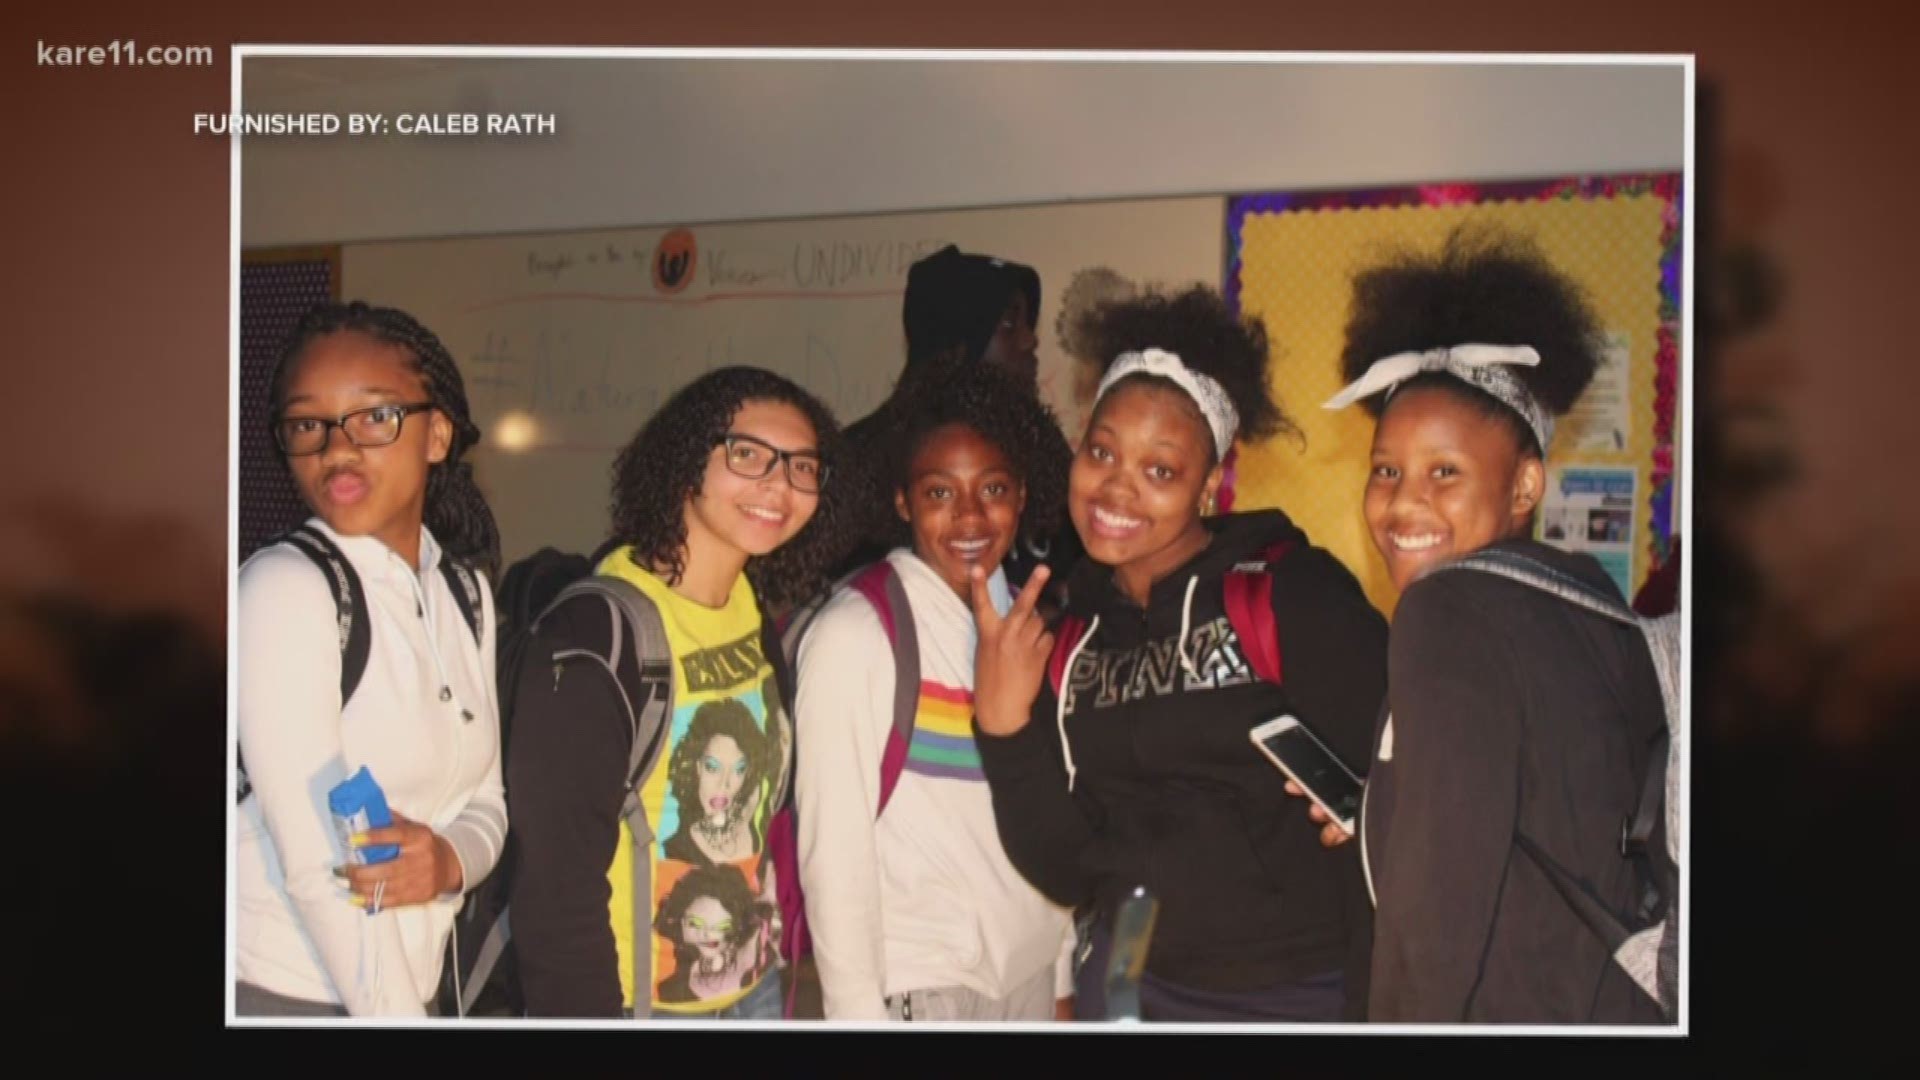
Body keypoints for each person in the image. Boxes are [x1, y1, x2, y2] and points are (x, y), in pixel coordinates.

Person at [970, 285, 1386, 1022]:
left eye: (1160, 470)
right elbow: (1067, 868)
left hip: (1292, 991)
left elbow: (1410, 788)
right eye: (1101, 451)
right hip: (1129, 981)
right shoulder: (1069, 630)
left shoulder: (1291, 594)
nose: (1116, 488)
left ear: (1209, 483)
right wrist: (1003, 726)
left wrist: (1369, 810)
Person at [1318, 224, 1669, 1023]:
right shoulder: (1594, 607)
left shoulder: (1450, 611)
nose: (1404, 502)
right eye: (1386, 471)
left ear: (1524, 486)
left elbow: (1433, 931)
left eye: (1446, 472)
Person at [507, 365, 847, 1019]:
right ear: (687, 464)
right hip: (638, 1004)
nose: (779, 484)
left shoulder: (749, 607)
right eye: (747, 455)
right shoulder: (597, 633)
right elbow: (554, 889)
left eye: (803, 467)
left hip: (753, 989)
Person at [234, 301, 507, 1017]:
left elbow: (487, 801)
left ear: (437, 433)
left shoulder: (465, 592)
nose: (337, 447)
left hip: (408, 994)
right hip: (292, 993)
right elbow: (314, 865)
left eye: (374, 416)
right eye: (307, 425)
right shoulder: (284, 586)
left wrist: (449, 863)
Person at [794, 362, 1076, 1021]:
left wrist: (1059, 972)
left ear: (1024, 494)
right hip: (924, 986)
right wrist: (858, 1018)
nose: (971, 516)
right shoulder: (857, 633)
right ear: (902, 501)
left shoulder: (1030, 626)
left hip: (1028, 978)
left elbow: (1049, 813)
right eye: (939, 493)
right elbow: (833, 855)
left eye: (994, 488)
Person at [840, 244, 1079, 589]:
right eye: (1009, 323)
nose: (1029, 340)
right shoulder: (861, 457)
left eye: (996, 488)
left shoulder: (1042, 447)